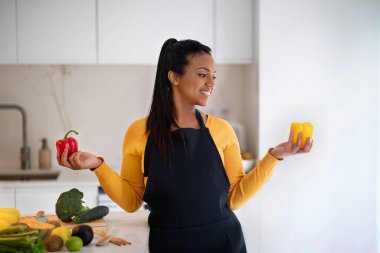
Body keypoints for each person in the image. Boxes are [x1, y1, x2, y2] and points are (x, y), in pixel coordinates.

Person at [57, 38, 313, 253]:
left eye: (213, 76)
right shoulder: (139, 132)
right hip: (168, 244)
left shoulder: (222, 130)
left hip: (223, 242)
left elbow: (234, 198)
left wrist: (274, 157)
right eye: (202, 75)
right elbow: (131, 201)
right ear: (174, 77)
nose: (211, 83)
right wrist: (98, 166)